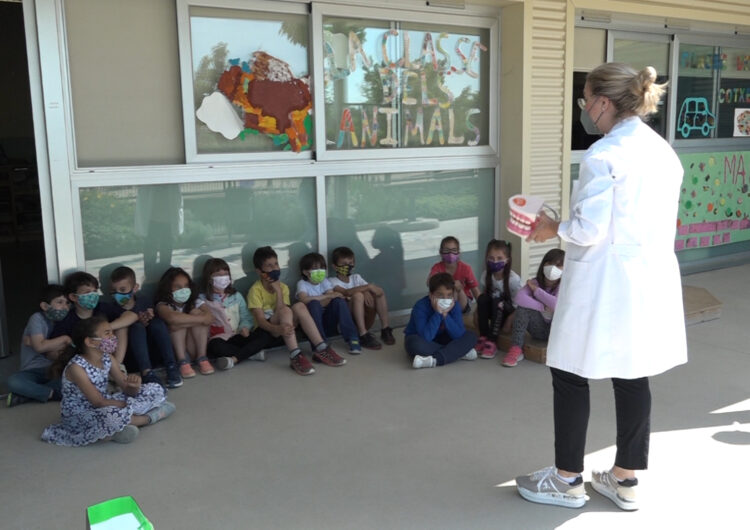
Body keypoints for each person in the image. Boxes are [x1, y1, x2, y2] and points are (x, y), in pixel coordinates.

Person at [515, 63, 687, 511]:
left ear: (603, 103)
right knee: (632, 373)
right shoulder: (662, 152)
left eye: (586, 99)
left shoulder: (603, 155)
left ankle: (568, 479)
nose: (585, 108)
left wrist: (553, 227)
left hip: (604, 281)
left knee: (570, 371)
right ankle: (625, 479)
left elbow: (588, 229)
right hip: (647, 280)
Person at [41, 315, 174, 446]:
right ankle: (149, 418)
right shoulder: (76, 367)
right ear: (90, 342)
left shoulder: (108, 358)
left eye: (112, 332)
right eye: (107, 333)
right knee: (110, 416)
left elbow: (126, 388)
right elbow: (98, 402)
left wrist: (134, 386)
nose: (113, 337)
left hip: (106, 402)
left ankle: (117, 429)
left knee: (154, 388)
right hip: (82, 414)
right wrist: (129, 405)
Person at [247, 246, 343, 376]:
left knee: (299, 306)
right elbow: (261, 321)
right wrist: (277, 329)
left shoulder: (283, 287)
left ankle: (321, 348)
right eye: (269, 266)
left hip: (285, 330)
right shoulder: (255, 290)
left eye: (276, 264)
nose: (274, 268)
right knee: (286, 311)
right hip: (266, 332)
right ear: (259, 271)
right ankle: (295, 355)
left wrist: (279, 291)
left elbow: (284, 313)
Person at [103, 266, 183, 389]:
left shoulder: (144, 301)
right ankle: (147, 373)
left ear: (135, 288)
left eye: (123, 289)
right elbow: (129, 319)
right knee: (136, 327)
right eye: (114, 291)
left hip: (152, 352)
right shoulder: (111, 309)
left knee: (157, 323)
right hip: (130, 358)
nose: (118, 294)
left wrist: (149, 319)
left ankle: (171, 366)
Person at [198, 258, 270, 372]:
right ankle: (251, 354)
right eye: (218, 275)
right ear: (209, 278)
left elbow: (246, 316)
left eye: (225, 274)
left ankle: (234, 359)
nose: (223, 278)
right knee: (216, 347)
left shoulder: (236, 295)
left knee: (264, 336)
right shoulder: (202, 299)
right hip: (220, 338)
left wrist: (244, 327)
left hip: (238, 334)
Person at [51, 271, 136, 365]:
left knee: (122, 327)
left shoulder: (102, 307)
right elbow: (51, 353)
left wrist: (105, 329)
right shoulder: (67, 320)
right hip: (85, 364)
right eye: (87, 292)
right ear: (73, 297)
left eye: (95, 291)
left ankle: (117, 366)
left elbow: (132, 316)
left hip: (111, 358)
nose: (93, 295)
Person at [5, 285, 71, 407]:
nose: (65, 307)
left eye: (67, 303)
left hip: (53, 368)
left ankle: (25, 395)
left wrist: (45, 343)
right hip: (32, 369)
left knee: (71, 379)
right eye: (60, 302)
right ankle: (53, 394)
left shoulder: (61, 322)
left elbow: (47, 346)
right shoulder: (37, 318)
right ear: (45, 306)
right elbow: (40, 347)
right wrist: (65, 339)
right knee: (13, 381)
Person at [501, 249, 564, 368]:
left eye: (559, 266)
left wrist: (536, 291)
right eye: (550, 263)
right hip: (538, 329)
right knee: (522, 309)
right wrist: (542, 307)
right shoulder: (535, 281)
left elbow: (556, 305)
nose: (553, 268)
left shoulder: (563, 286)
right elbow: (519, 298)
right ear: (544, 264)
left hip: (556, 332)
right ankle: (516, 348)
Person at [404, 272, 478, 369]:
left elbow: (459, 334)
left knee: (471, 336)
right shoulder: (420, 306)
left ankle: (434, 360)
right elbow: (426, 337)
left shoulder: (454, 305)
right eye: (440, 295)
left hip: (444, 337)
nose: (445, 299)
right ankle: (459, 353)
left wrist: (445, 315)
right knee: (415, 345)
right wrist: (438, 313)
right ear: (431, 295)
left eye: (449, 295)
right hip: (422, 338)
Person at [329, 246, 396, 349]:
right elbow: (346, 292)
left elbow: (377, 291)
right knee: (358, 295)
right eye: (343, 264)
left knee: (378, 292)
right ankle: (362, 335)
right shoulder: (332, 281)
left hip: (365, 316)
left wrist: (368, 290)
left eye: (350, 263)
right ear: (335, 266)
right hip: (349, 321)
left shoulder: (356, 277)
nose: (348, 266)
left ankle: (385, 328)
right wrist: (367, 287)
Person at [154, 267, 213, 379]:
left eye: (186, 286)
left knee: (194, 313)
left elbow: (209, 317)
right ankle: (182, 362)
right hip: (176, 351)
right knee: (178, 318)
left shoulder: (195, 301)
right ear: (168, 288)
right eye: (178, 287)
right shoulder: (163, 304)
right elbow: (172, 318)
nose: (184, 290)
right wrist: (199, 320)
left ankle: (203, 358)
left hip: (193, 347)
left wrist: (186, 320)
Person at [296, 252, 356, 359]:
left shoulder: (324, 281)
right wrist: (324, 297)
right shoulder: (302, 284)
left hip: (328, 322)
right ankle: (319, 346)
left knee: (339, 301)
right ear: (305, 272)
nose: (319, 271)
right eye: (315, 268)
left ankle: (353, 338)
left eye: (322, 268)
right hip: (312, 326)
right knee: (314, 305)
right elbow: (304, 299)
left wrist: (327, 297)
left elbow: (332, 297)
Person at [475, 240, 522, 359]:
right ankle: (483, 337)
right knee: (482, 298)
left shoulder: (513, 279)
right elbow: (485, 296)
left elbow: (519, 306)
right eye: (491, 258)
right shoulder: (486, 275)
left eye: (499, 258)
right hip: (494, 310)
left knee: (498, 300)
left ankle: (492, 341)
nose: (495, 261)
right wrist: (477, 312)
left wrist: (509, 321)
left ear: (507, 260)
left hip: (507, 311)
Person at [428, 236, 480, 312]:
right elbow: (429, 282)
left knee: (456, 286)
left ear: (458, 252)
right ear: (441, 252)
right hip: (444, 298)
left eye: (454, 250)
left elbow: (475, 289)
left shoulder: (466, 268)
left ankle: (452, 312)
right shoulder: (437, 267)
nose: (450, 254)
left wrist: (482, 306)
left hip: (463, 301)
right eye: (446, 250)